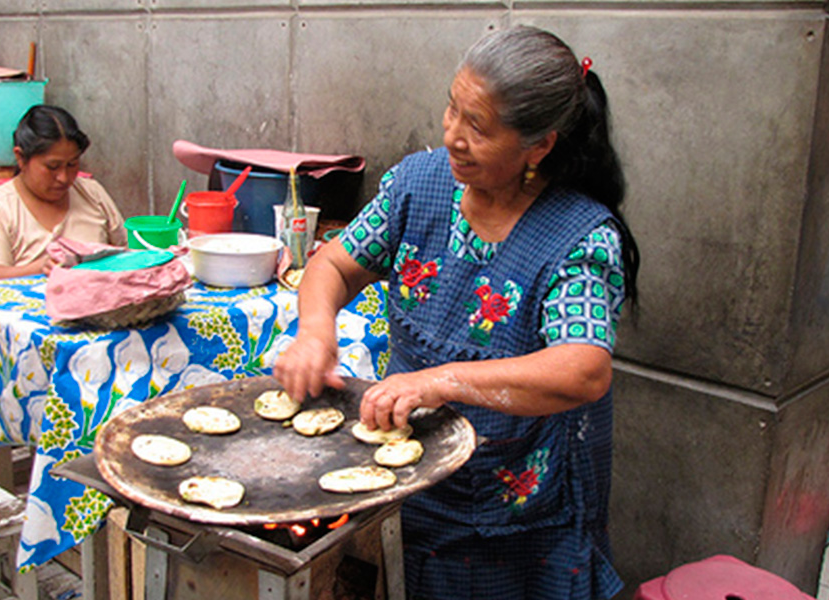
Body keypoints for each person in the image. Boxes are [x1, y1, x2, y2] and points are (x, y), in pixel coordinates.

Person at [274, 25, 640, 600]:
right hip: (409, 475)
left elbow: (583, 369)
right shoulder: (417, 186)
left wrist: (442, 381)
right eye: (452, 108)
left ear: (539, 145)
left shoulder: (579, 236)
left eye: (478, 127)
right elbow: (334, 267)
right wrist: (316, 330)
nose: (452, 136)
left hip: (518, 502)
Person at [0, 105, 127, 281]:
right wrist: (38, 268)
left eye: (72, 164)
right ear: (21, 158)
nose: (63, 177)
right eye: (52, 167)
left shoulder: (91, 193)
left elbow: (126, 249)